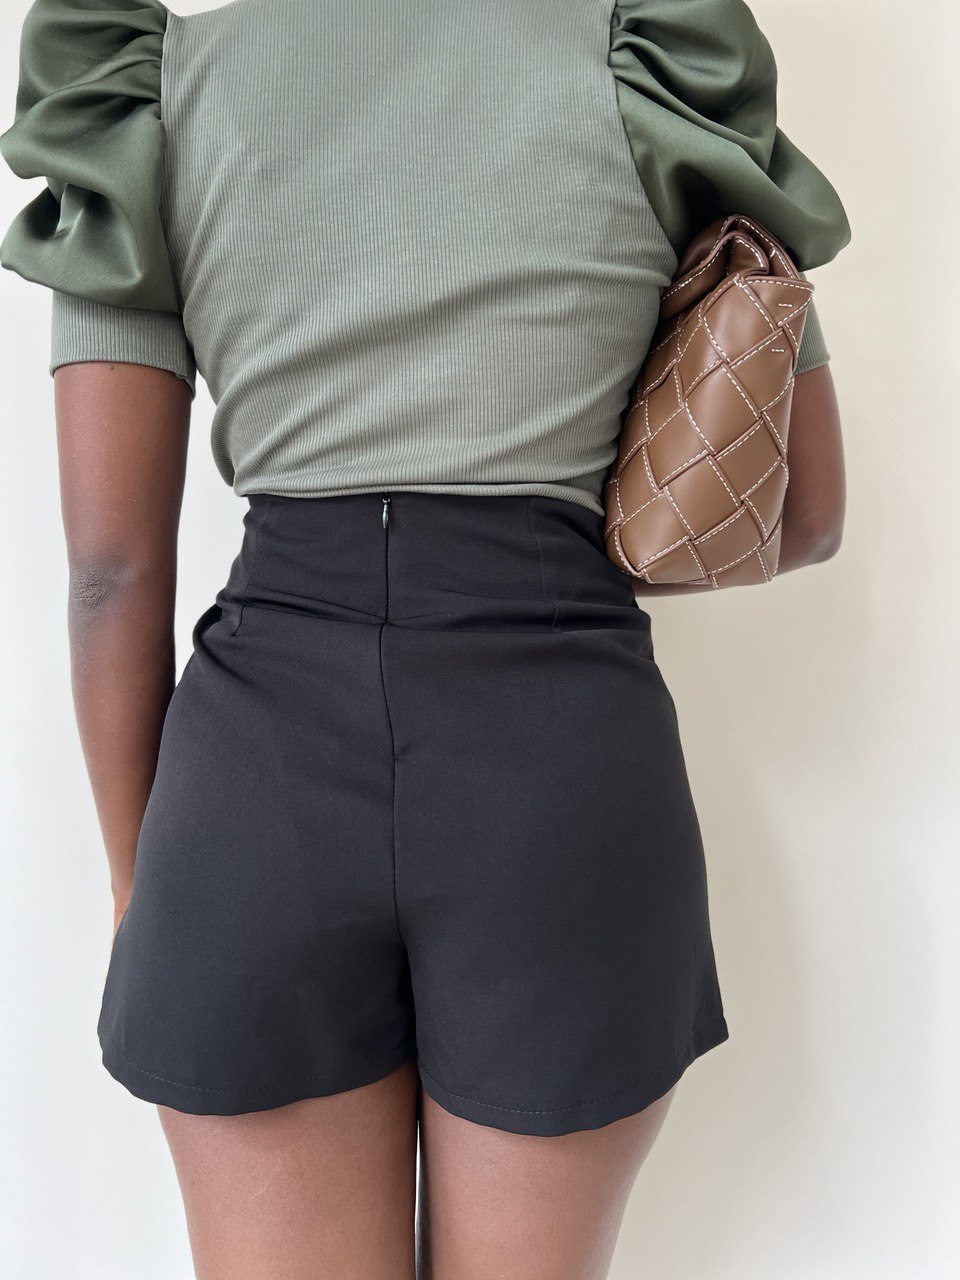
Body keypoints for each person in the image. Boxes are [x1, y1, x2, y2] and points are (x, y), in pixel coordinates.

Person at [0, 1, 850, 1276]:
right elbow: (803, 510)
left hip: (256, 781)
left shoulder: (150, 93)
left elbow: (109, 575)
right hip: (562, 764)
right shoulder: (650, 71)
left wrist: (138, 881)